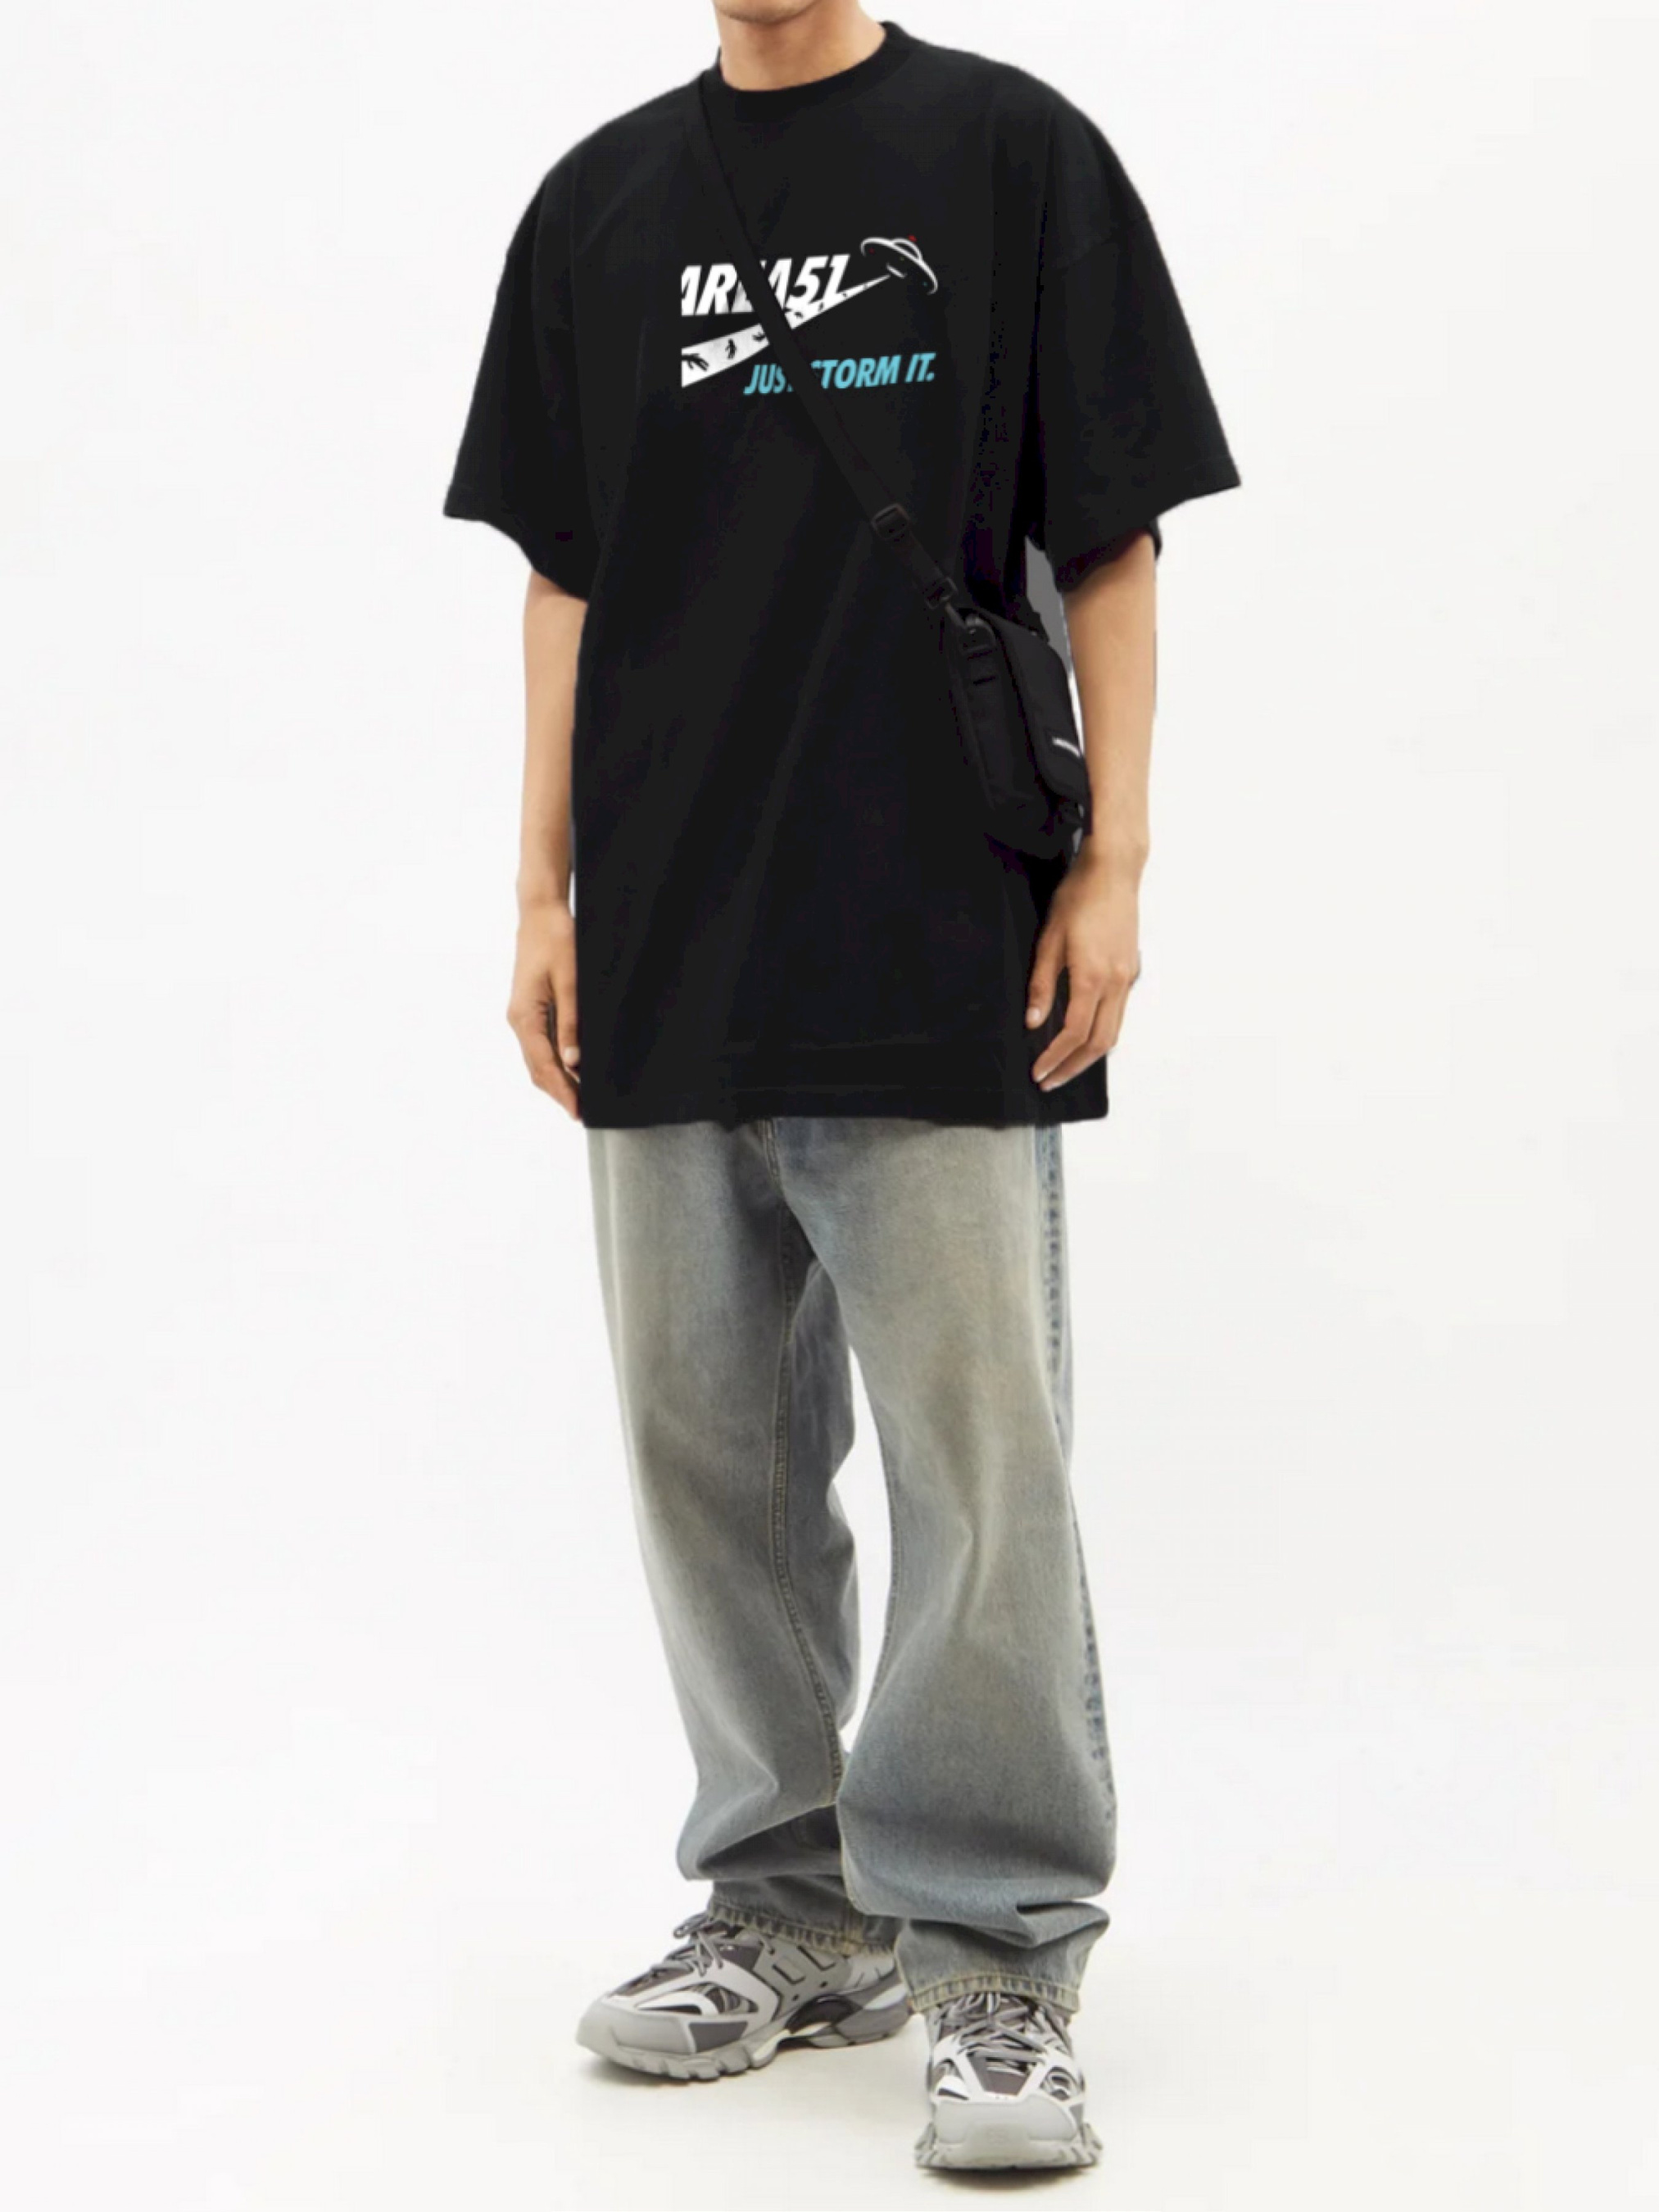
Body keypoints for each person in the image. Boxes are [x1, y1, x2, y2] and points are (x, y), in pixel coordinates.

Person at [442, 0, 1238, 2173]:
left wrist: (1116, 863)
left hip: (934, 920)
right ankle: (790, 1906)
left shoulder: (1011, 154)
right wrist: (539, 889)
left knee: (978, 1459)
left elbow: (1112, 538)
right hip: (670, 924)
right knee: (705, 1444)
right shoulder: (597, 206)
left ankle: (994, 1953)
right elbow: (566, 578)